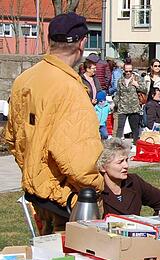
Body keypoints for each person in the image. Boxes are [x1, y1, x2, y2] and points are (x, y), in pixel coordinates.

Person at [4, 12, 104, 234]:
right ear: (82, 42)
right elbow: (79, 161)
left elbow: (14, 139)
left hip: (39, 193)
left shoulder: (25, 79)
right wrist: (98, 187)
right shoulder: (70, 89)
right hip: (65, 201)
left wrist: (36, 172)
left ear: (50, 41)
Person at [98, 138, 160, 216]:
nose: (126, 166)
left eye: (126, 160)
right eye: (120, 162)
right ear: (103, 167)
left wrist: (152, 223)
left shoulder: (134, 182)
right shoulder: (96, 190)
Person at [115, 62, 145, 139]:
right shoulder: (120, 80)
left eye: (130, 71)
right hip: (122, 107)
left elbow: (145, 89)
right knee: (120, 128)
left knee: (135, 128)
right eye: (126, 71)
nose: (128, 73)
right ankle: (117, 144)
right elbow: (118, 93)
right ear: (123, 70)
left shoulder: (137, 78)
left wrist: (137, 85)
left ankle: (136, 144)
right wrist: (114, 104)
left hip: (134, 107)